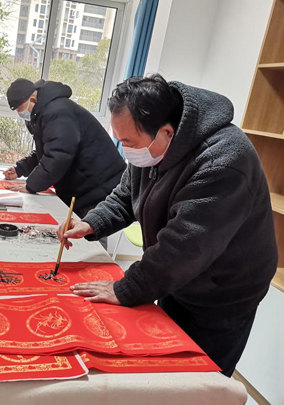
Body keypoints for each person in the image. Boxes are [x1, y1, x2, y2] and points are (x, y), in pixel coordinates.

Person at [57, 73, 278, 377]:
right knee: (163, 362)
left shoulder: (224, 161)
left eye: (129, 142)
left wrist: (126, 288)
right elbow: (126, 195)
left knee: (201, 379)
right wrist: (91, 222)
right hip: (178, 278)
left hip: (224, 293)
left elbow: (184, 247)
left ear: (166, 132)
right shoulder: (151, 149)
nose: (126, 150)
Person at [4, 78, 126, 249]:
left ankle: (97, 266)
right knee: (78, 234)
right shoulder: (42, 113)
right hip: (85, 185)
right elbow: (45, 151)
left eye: (21, 109)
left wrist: (31, 185)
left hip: (97, 184)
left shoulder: (58, 111)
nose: (21, 114)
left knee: (93, 236)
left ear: (33, 99)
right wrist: (20, 169)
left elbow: (58, 155)